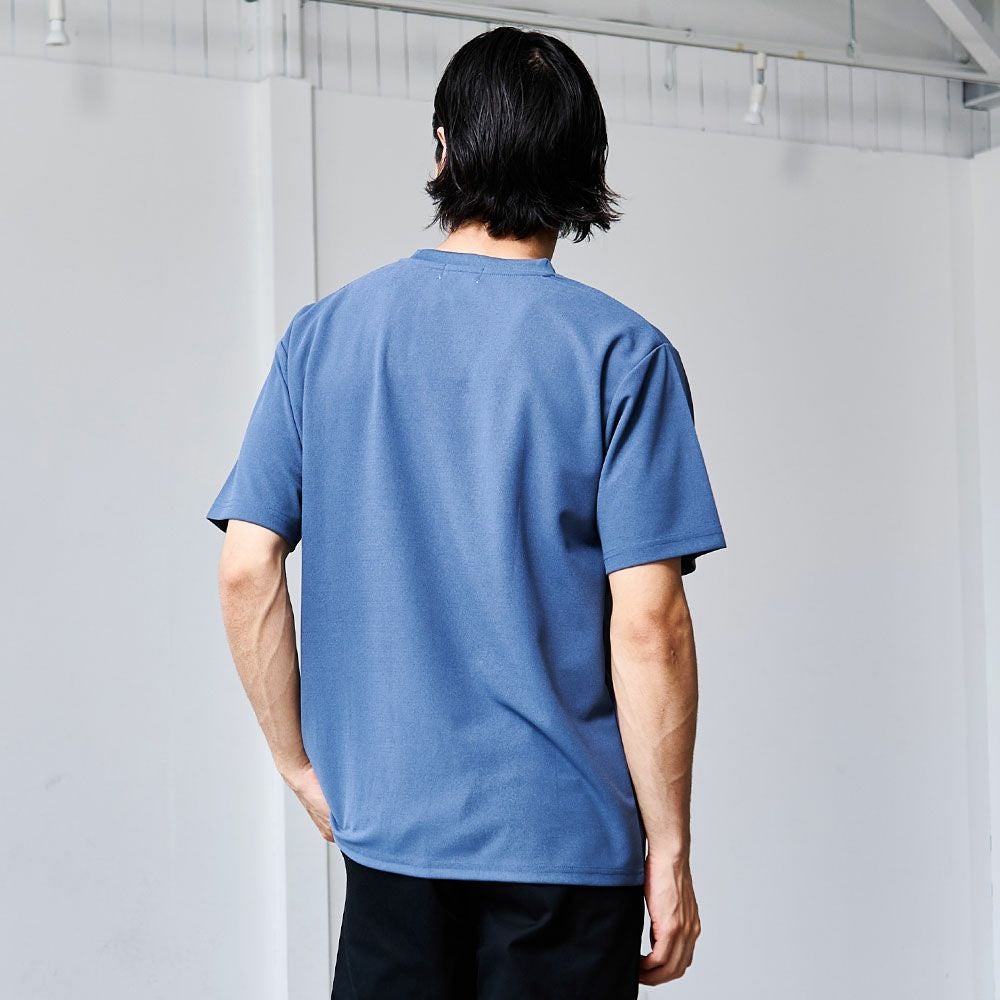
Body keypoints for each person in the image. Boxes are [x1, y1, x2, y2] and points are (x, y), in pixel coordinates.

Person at [206, 25, 726, 1000]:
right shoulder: (624, 355)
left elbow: (246, 565)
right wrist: (670, 850)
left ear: (443, 149)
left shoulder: (324, 336)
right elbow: (651, 626)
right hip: (567, 849)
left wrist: (299, 765)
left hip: (391, 837)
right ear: (586, 166)